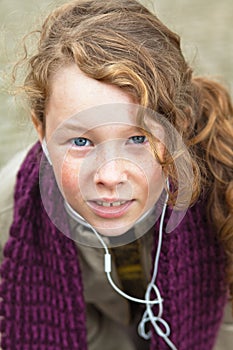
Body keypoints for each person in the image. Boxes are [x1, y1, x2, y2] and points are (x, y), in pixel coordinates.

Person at [0, 0, 232, 349]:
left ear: (178, 126)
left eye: (138, 138)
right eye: (81, 140)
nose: (109, 174)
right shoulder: (11, 217)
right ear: (41, 129)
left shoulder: (222, 181)